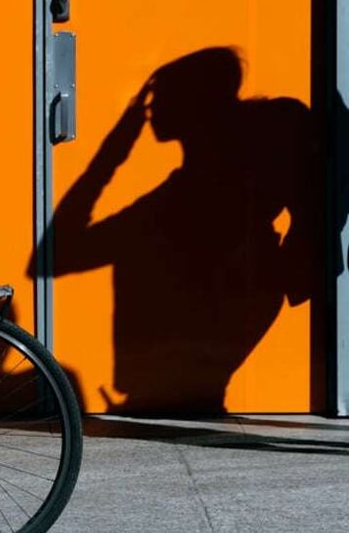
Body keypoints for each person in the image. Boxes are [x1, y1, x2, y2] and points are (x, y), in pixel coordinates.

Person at [32, 47, 318, 414]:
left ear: (192, 105)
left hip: (196, 343)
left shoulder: (188, 196)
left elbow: (56, 256)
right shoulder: (225, 183)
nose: (147, 109)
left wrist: (113, 152)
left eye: (158, 97)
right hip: (236, 316)